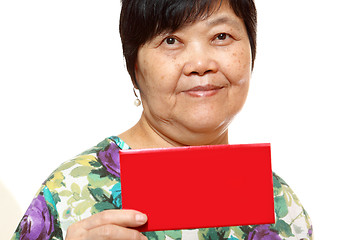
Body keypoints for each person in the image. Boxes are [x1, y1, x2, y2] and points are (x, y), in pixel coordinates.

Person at [11, 0, 313, 239]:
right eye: (170, 40)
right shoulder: (71, 191)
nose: (200, 64)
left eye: (221, 36)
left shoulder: (282, 207)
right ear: (135, 69)